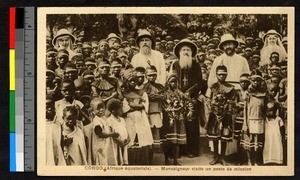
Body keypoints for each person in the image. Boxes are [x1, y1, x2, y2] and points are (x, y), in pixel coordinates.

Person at [169, 38, 203, 158]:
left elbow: (199, 82)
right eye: (183, 50)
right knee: (178, 123)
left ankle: (192, 151)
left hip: (191, 98)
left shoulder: (196, 65)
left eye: (188, 50)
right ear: (179, 52)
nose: (186, 52)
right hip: (177, 98)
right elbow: (171, 79)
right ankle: (180, 150)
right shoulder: (174, 64)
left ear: (192, 52)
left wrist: (189, 92)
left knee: (191, 125)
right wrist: (178, 93)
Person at [122, 69, 154, 165]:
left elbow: (144, 105)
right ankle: (131, 161)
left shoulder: (142, 92)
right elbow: (125, 108)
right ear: (127, 82)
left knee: (143, 138)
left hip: (141, 118)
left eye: (134, 81)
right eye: (130, 81)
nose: (132, 83)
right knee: (130, 138)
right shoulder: (124, 94)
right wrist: (137, 106)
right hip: (129, 118)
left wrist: (133, 105)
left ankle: (143, 161)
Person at [206, 65, 236, 166]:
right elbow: (208, 101)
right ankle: (215, 157)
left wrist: (224, 112)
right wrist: (214, 111)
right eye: (219, 75)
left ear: (226, 75)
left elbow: (232, 102)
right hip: (214, 115)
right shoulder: (212, 87)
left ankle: (222, 157)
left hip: (225, 115)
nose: (221, 76)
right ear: (216, 75)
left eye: (223, 74)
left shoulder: (230, 88)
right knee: (214, 136)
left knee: (224, 137)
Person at [241, 74, 268, 166]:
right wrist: (245, 123)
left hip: (260, 120)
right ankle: (249, 161)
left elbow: (265, 109)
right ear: (251, 82)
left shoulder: (264, 93)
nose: (256, 82)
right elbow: (245, 109)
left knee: (257, 143)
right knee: (249, 142)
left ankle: (256, 160)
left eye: (258, 81)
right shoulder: (247, 93)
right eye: (254, 81)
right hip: (250, 120)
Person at [162, 74, 187, 165]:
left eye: (175, 82)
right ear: (168, 83)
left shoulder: (180, 94)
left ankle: (175, 160)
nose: (173, 83)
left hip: (178, 118)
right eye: (171, 82)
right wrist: (170, 111)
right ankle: (166, 159)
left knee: (176, 141)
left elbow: (184, 104)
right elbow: (163, 106)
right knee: (168, 140)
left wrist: (181, 110)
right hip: (168, 119)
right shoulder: (165, 94)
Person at [89, 98, 119, 165]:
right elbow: (100, 134)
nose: (101, 110)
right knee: (102, 161)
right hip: (100, 146)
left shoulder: (103, 118)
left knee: (107, 159)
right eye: (98, 108)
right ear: (93, 110)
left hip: (106, 145)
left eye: (102, 107)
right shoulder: (96, 121)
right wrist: (112, 134)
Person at [144, 66, 165, 151]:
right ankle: (149, 147)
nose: (151, 77)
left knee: (157, 128)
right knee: (148, 128)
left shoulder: (160, 86)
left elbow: (163, 96)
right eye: (149, 75)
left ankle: (157, 146)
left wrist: (157, 97)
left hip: (156, 110)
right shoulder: (143, 86)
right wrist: (150, 96)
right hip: (146, 110)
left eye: (153, 75)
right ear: (146, 76)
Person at [106, 98, 130, 165]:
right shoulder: (109, 120)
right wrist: (120, 142)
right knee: (118, 159)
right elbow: (111, 134)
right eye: (120, 109)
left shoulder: (122, 119)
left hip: (124, 143)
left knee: (124, 158)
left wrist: (128, 138)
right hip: (116, 144)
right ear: (113, 111)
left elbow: (125, 129)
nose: (122, 110)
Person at [263, 100, 285, 164]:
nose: (271, 112)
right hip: (268, 138)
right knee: (268, 147)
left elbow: (282, 128)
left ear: (275, 110)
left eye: (273, 110)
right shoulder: (265, 119)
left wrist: (283, 137)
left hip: (276, 138)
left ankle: (278, 160)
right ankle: (268, 159)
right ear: (267, 111)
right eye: (269, 110)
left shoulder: (278, 119)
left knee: (277, 147)